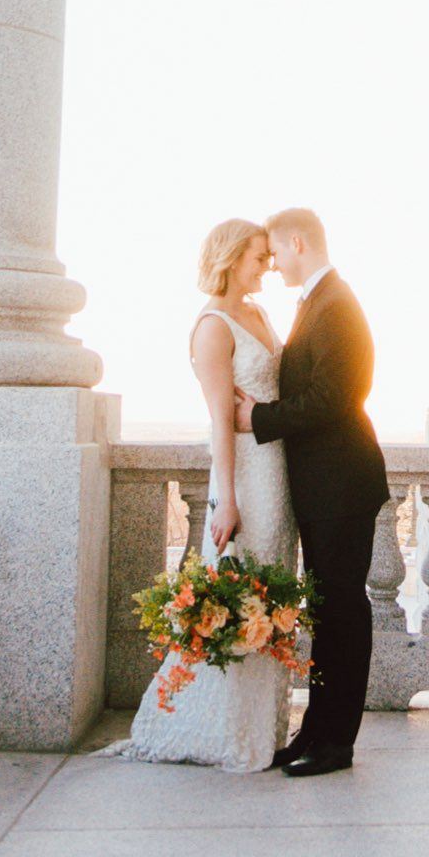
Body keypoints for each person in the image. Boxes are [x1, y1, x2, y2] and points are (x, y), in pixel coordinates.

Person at [102, 219, 299, 772]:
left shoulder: (259, 314)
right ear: (233, 258)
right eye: (260, 257)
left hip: (277, 471)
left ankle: (261, 726)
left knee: (272, 593)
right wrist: (229, 499)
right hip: (244, 478)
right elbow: (219, 422)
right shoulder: (212, 327)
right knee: (241, 593)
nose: (268, 265)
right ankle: (217, 729)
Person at [234, 208, 389, 778]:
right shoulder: (319, 302)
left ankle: (336, 743)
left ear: (298, 242)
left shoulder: (338, 304)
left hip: (343, 485)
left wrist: (260, 418)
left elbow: (335, 398)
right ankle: (317, 729)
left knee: (344, 613)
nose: (272, 266)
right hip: (326, 485)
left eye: (276, 254)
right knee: (328, 612)